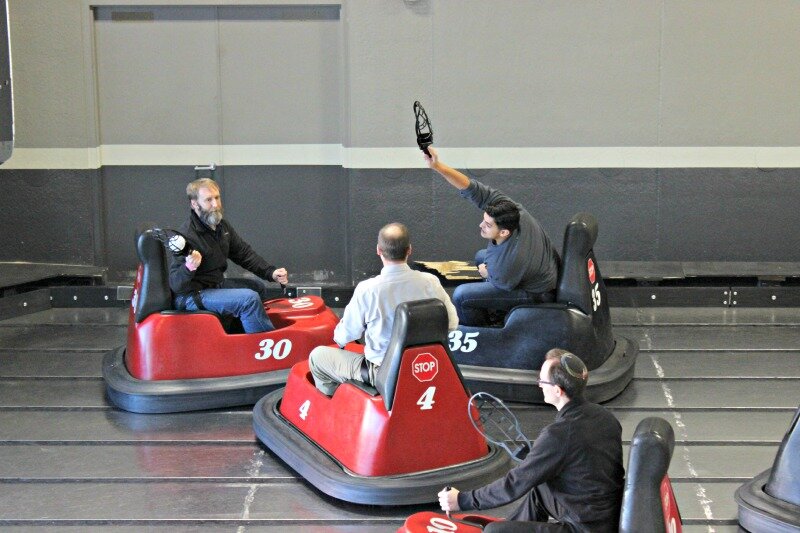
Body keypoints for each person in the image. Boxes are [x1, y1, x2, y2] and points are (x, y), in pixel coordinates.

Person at [438, 349, 624, 533]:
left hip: (583, 528)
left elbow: (513, 485)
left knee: (494, 531)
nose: (539, 385)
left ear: (558, 390)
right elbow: (586, 464)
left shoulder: (558, 435)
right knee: (541, 489)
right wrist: (538, 457)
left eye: (542, 381)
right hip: (605, 515)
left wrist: (462, 500)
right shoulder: (605, 417)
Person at [308, 222, 458, 396]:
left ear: (378, 250)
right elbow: (452, 323)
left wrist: (342, 338)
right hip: (426, 366)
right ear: (409, 250)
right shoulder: (430, 282)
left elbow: (345, 335)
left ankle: (338, 414)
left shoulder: (368, 289)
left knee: (317, 357)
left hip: (383, 373)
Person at [424, 147, 560, 327]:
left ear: (504, 232)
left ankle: (483, 331)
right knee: (481, 256)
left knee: (462, 295)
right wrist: (438, 166)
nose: (481, 225)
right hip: (541, 268)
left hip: (538, 293)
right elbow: (470, 187)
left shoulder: (507, 264)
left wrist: (488, 274)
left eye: (488, 225)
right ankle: (491, 307)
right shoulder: (515, 211)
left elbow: (501, 279)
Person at [168, 177, 288, 334]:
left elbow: (243, 253)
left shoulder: (221, 227)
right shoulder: (186, 237)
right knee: (248, 299)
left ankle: (238, 335)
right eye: (208, 200)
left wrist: (270, 272)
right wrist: (188, 267)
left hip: (214, 285)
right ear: (194, 204)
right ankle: (261, 348)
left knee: (257, 288)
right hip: (191, 296)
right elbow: (176, 285)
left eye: (217, 198)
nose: (215, 205)